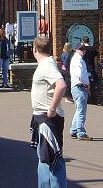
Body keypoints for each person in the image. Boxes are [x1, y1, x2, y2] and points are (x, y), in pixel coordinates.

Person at [30, 36, 67, 188]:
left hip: (47, 118)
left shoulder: (46, 65)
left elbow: (61, 85)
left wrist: (51, 108)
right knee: (45, 159)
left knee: (50, 160)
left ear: (34, 49)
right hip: (43, 118)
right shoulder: (47, 63)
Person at [69, 43, 92, 141]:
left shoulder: (76, 59)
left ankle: (74, 130)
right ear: (77, 50)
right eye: (82, 49)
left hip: (75, 86)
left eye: (84, 49)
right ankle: (81, 132)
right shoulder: (78, 60)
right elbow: (80, 75)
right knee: (81, 110)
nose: (84, 51)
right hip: (80, 87)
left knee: (78, 109)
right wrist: (86, 85)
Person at [81, 37, 99, 104]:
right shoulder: (93, 49)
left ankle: (87, 99)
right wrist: (96, 69)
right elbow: (95, 61)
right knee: (92, 85)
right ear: (89, 41)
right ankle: (93, 100)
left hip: (84, 69)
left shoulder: (82, 49)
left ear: (83, 41)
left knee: (84, 84)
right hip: (91, 69)